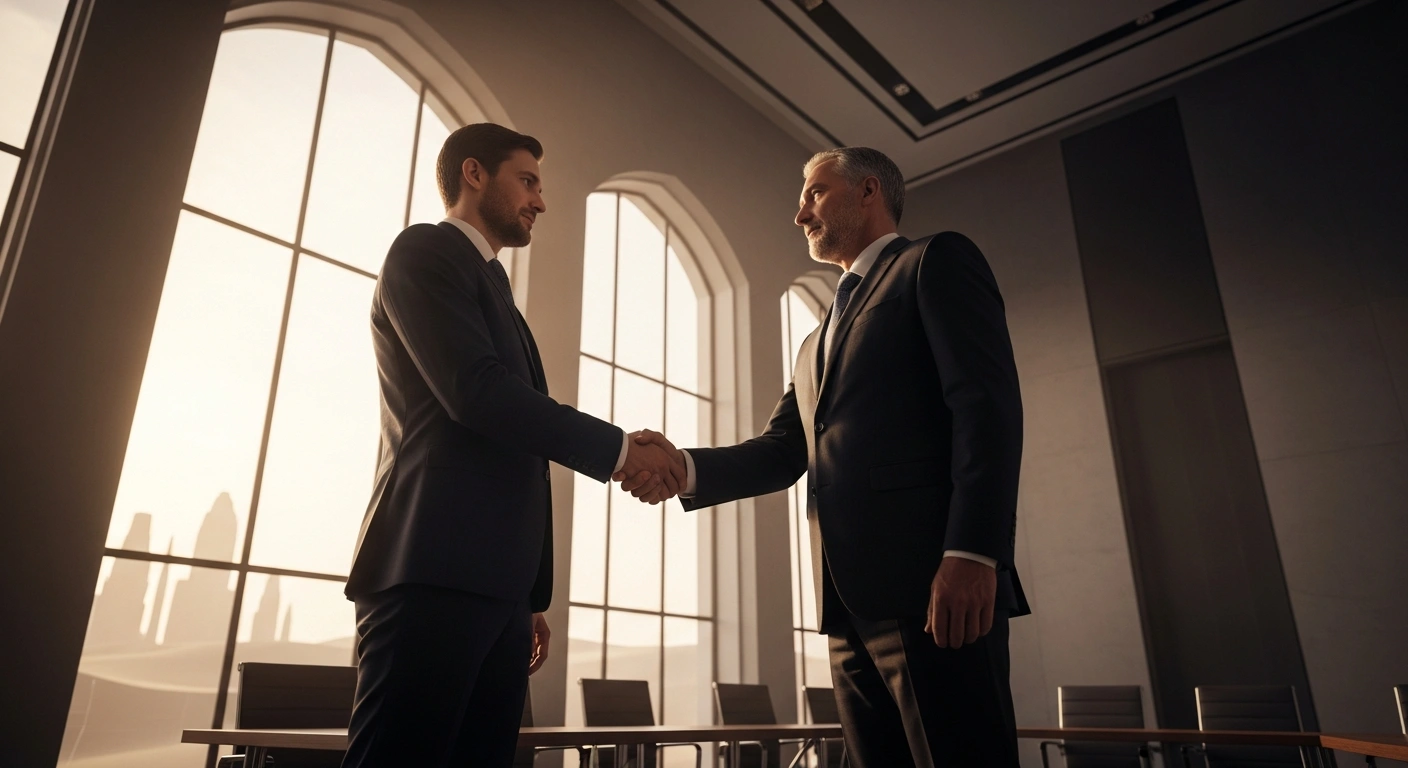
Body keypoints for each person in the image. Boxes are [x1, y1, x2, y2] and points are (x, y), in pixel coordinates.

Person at [624, 147, 1030, 767]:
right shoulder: (814, 341)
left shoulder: (934, 261)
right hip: (845, 611)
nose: (799, 215)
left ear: (868, 191)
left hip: (935, 592)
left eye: (814, 193)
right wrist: (683, 467)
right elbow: (782, 451)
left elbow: (987, 408)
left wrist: (974, 553)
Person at [342, 123, 682, 768]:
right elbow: (477, 394)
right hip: (432, 571)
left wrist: (524, 596)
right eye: (527, 181)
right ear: (474, 174)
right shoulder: (425, 251)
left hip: (497, 591)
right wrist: (619, 451)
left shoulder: (495, 289)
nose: (540, 201)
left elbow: (516, 448)